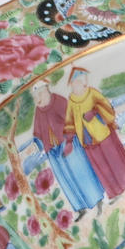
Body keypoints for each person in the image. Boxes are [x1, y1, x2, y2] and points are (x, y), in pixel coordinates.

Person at [29, 79, 104, 215]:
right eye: (35, 97)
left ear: (46, 91)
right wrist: (38, 145)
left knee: (81, 172)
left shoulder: (59, 101)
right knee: (66, 179)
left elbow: (72, 120)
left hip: (68, 143)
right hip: (53, 151)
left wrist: (69, 140)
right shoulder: (39, 111)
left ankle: (97, 201)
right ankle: (80, 208)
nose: (37, 99)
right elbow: (38, 133)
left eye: (40, 94)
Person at [65, 66, 125, 202]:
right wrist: (69, 141)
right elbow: (69, 121)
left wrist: (95, 112)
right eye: (76, 82)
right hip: (88, 140)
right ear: (72, 84)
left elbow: (106, 106)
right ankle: (115, 192)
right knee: (102, 168)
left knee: (115, 162)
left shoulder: (92, 93)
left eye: (81, 81)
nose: (79, 85)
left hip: (103, 134)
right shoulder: (72, 102)